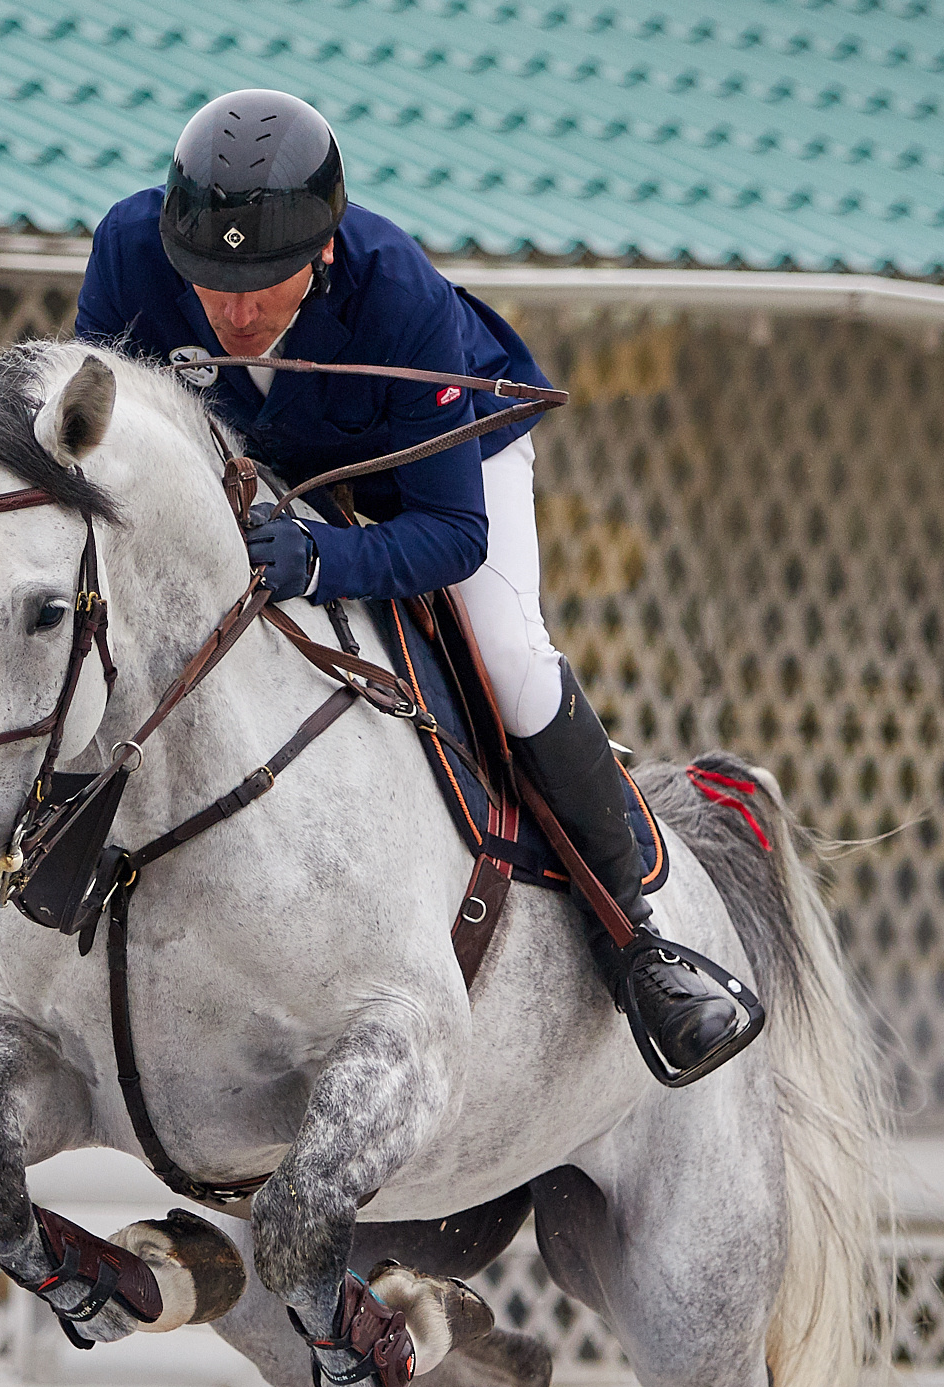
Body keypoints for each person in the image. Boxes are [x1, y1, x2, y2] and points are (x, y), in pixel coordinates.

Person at [74, 89, 751, 1080]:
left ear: (324, 253)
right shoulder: (130, 250)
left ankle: (635, 939)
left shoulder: (399, 297)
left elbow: (448, 534)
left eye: (263, 282)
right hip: (272, 479)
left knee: (510, 656)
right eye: (211, 281)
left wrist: (322, 562)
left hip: (442, 471)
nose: (234, 311)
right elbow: (104, 445)